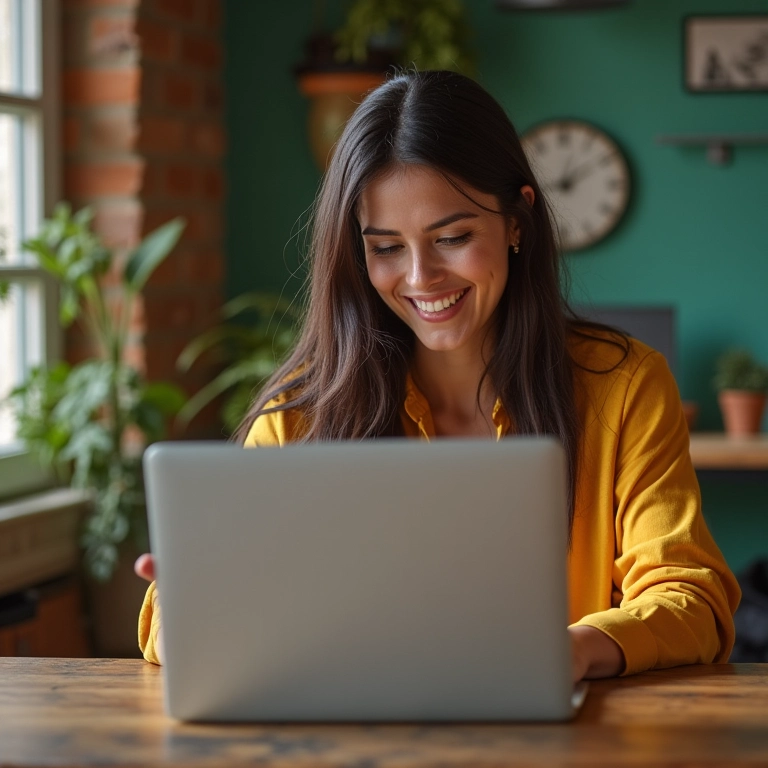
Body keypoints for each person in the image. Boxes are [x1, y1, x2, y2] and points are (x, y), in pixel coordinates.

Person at [136, 70, 740, 679]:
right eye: (387, 247)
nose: (421, 277)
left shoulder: (625, 386)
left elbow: (692, 601)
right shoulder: (302, 415)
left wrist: (572, 651)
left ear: (516, 222)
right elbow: (177, 620)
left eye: (452, 237)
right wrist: (194, 597)